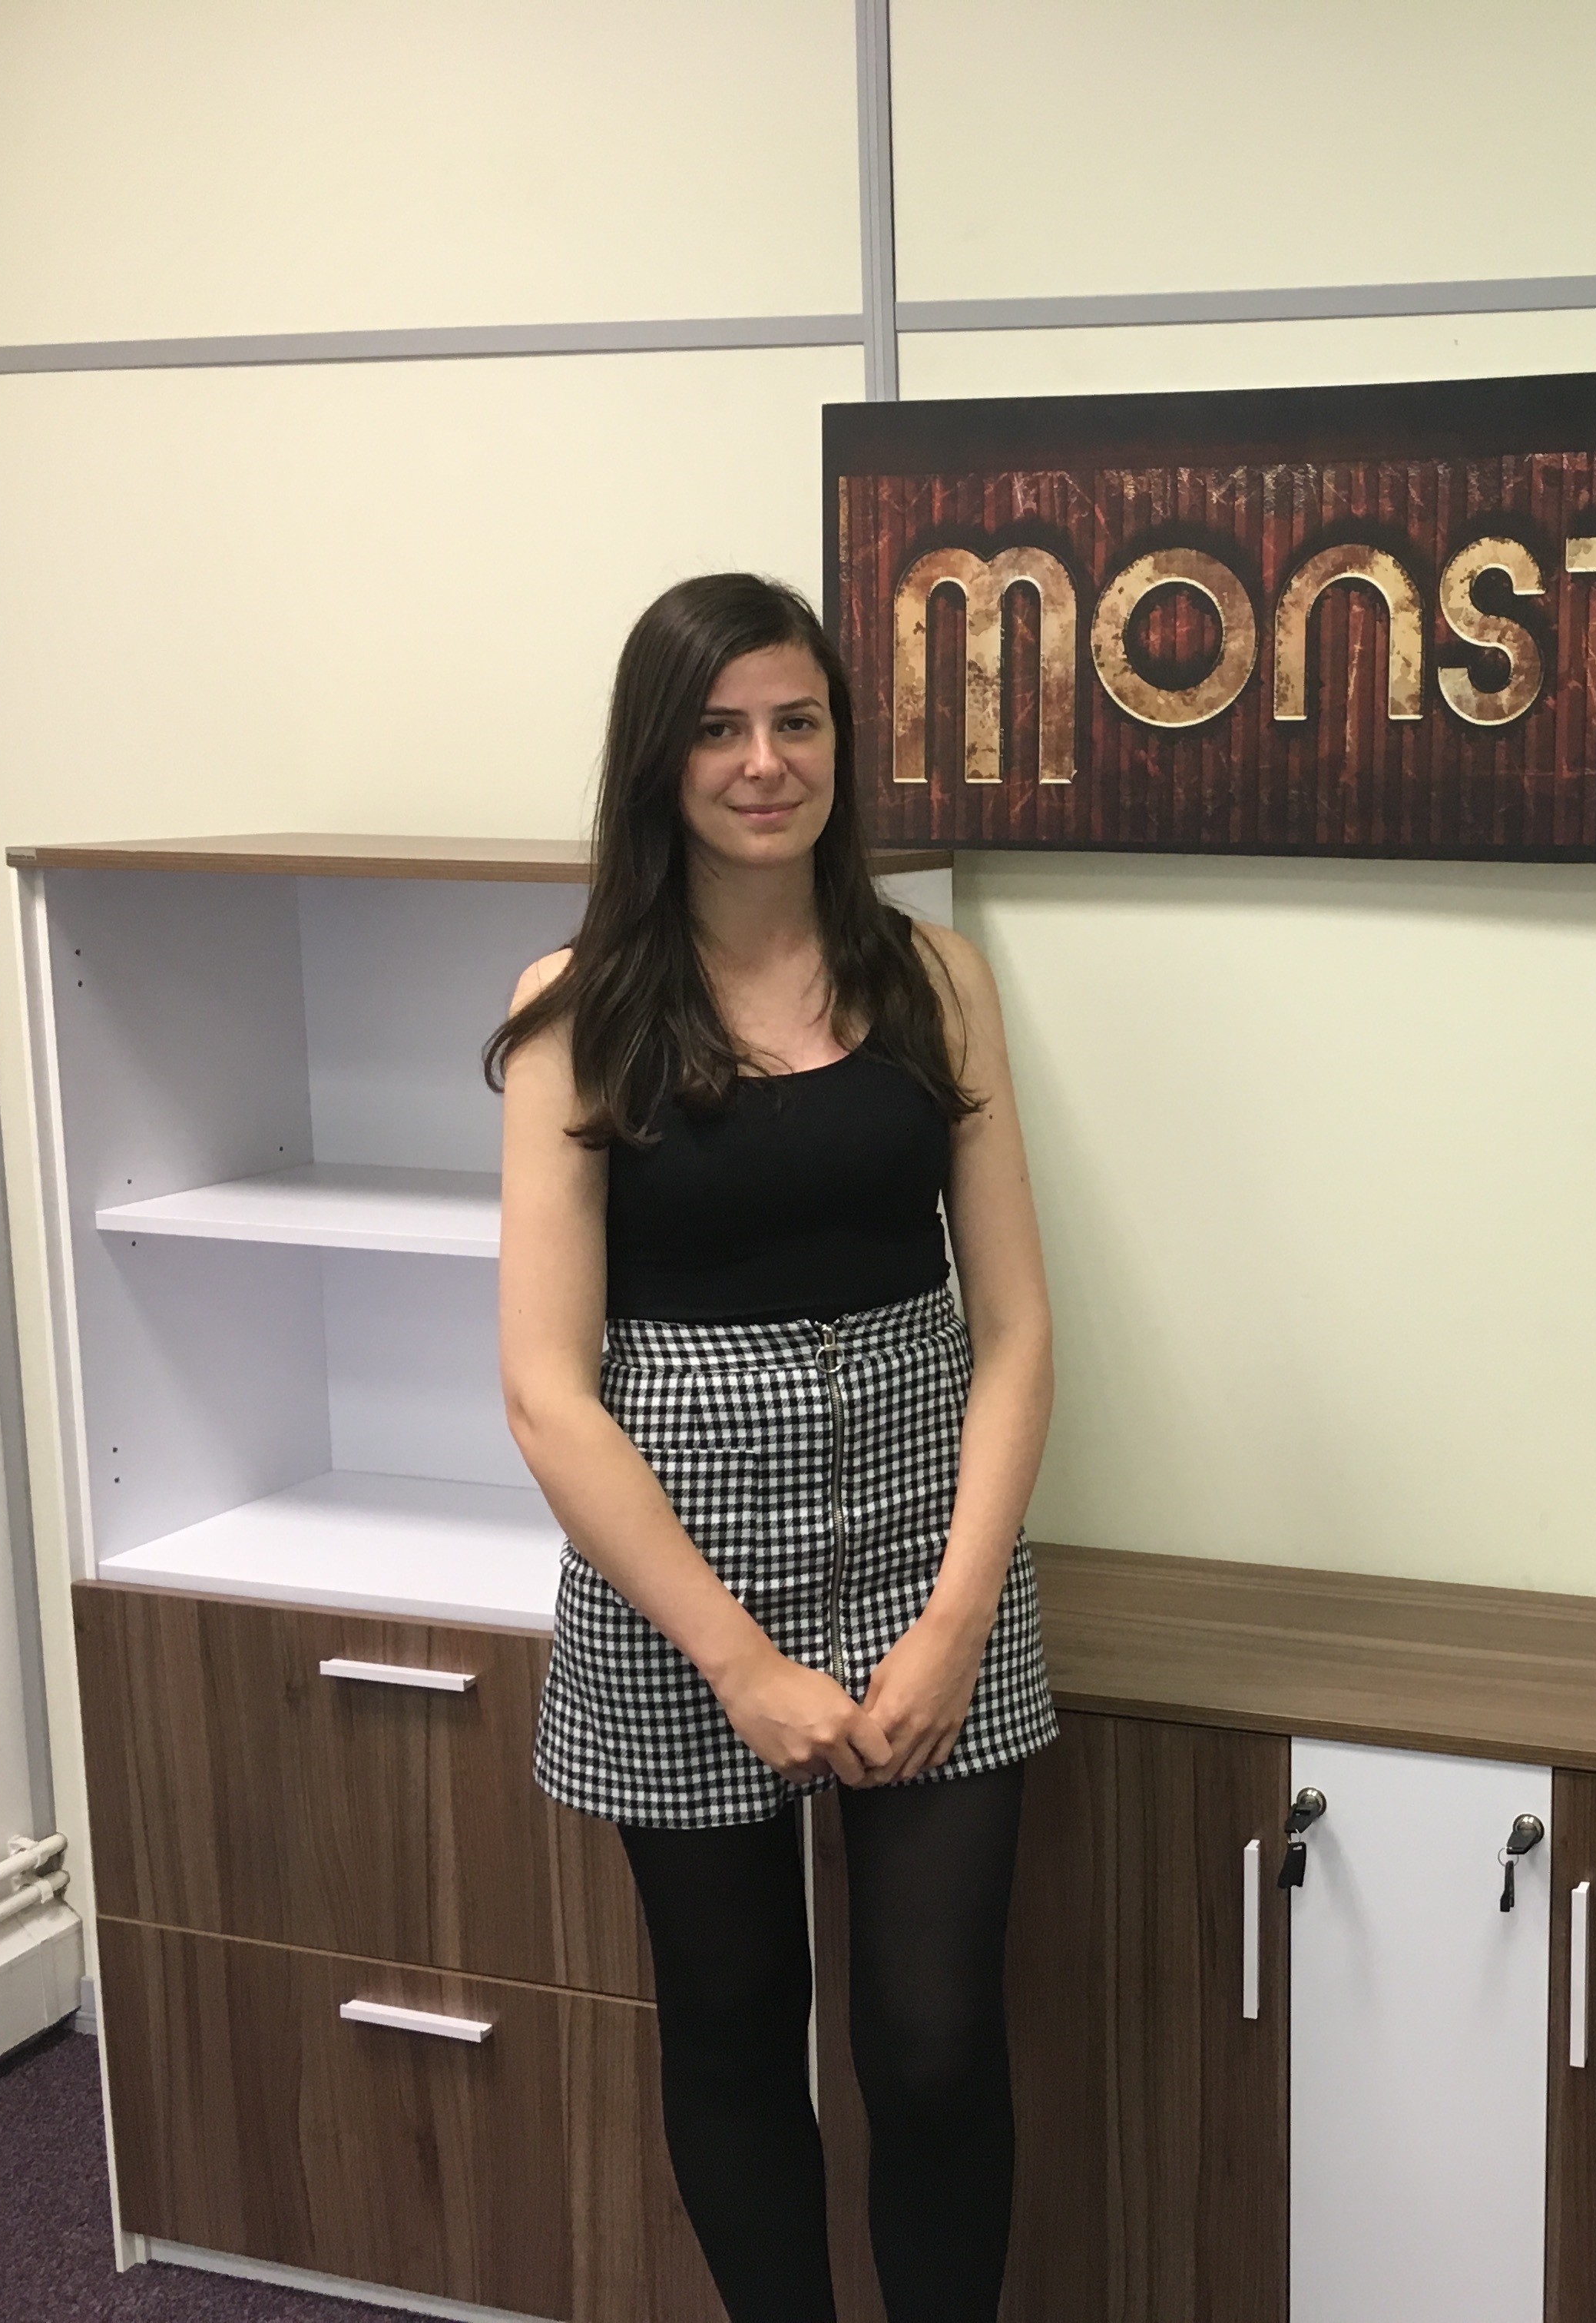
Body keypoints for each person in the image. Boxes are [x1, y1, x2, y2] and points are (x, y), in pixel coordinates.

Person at [488, 572, 1055, 2323]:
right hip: (681, 1581)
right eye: (720, 730)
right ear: (657, 760)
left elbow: (1016, 1328)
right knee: (735, 2025)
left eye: (796, 722)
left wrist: (956, 1622)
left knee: (936, 2038)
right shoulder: (578, 1008)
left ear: (839, 745)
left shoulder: (934, 978)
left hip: (928, 1550)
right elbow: (545, 1387)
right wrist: (736, 1660)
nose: (763, 763)